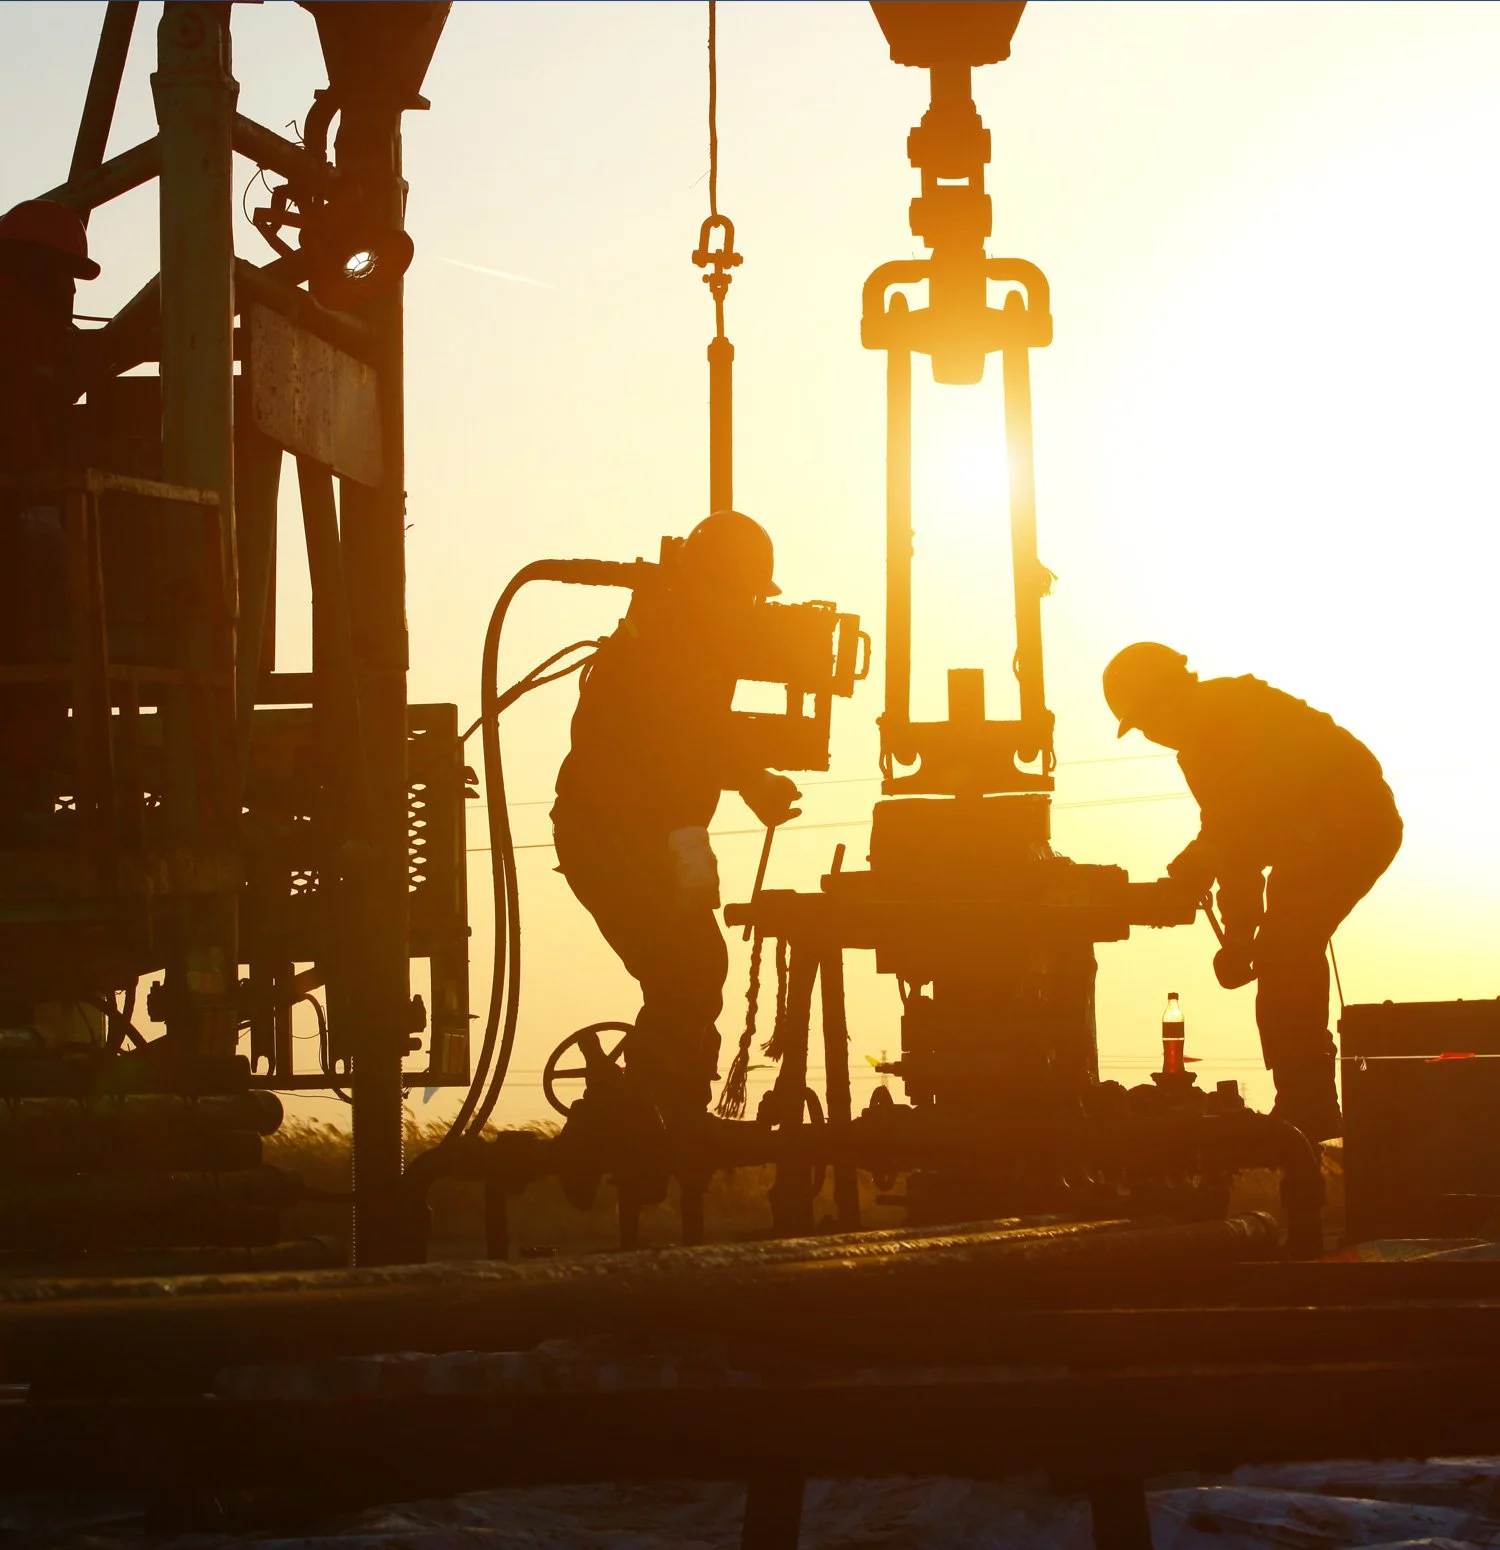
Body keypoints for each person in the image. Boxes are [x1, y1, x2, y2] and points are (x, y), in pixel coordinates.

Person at [552, 510, 801, 1126]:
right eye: (740, 592)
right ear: (712, 584)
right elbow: (689, 725)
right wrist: (753, 779)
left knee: (692, 967)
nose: (746, 607)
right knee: (685, 967)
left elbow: (695, 731)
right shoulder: (666, 639)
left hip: (656, 836)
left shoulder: (685, 639)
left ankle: (668, 1104)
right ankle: (643, 1111)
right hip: (611, 839)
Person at [1102, 642, 1402, 1141]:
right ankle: (1304, 1101)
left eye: (1146, 721)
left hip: (1351, 830)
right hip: (1313, 841)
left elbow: (1240, 819)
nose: (1151, 736)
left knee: (1287, 951)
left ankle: (1309, 1107)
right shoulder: (1204, 737)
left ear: (1164, 698)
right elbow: (1237, 844)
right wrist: (1240, 935)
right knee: (1282, 954)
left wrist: (1204, 861)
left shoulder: (1231, 716)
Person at [0, 199, 98, 829]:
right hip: (21, 517)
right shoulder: (17, 323)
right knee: (41, 662)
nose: (67, 292)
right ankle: (21, 801)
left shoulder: (26, 323)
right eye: (62, 276)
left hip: (25, 511)